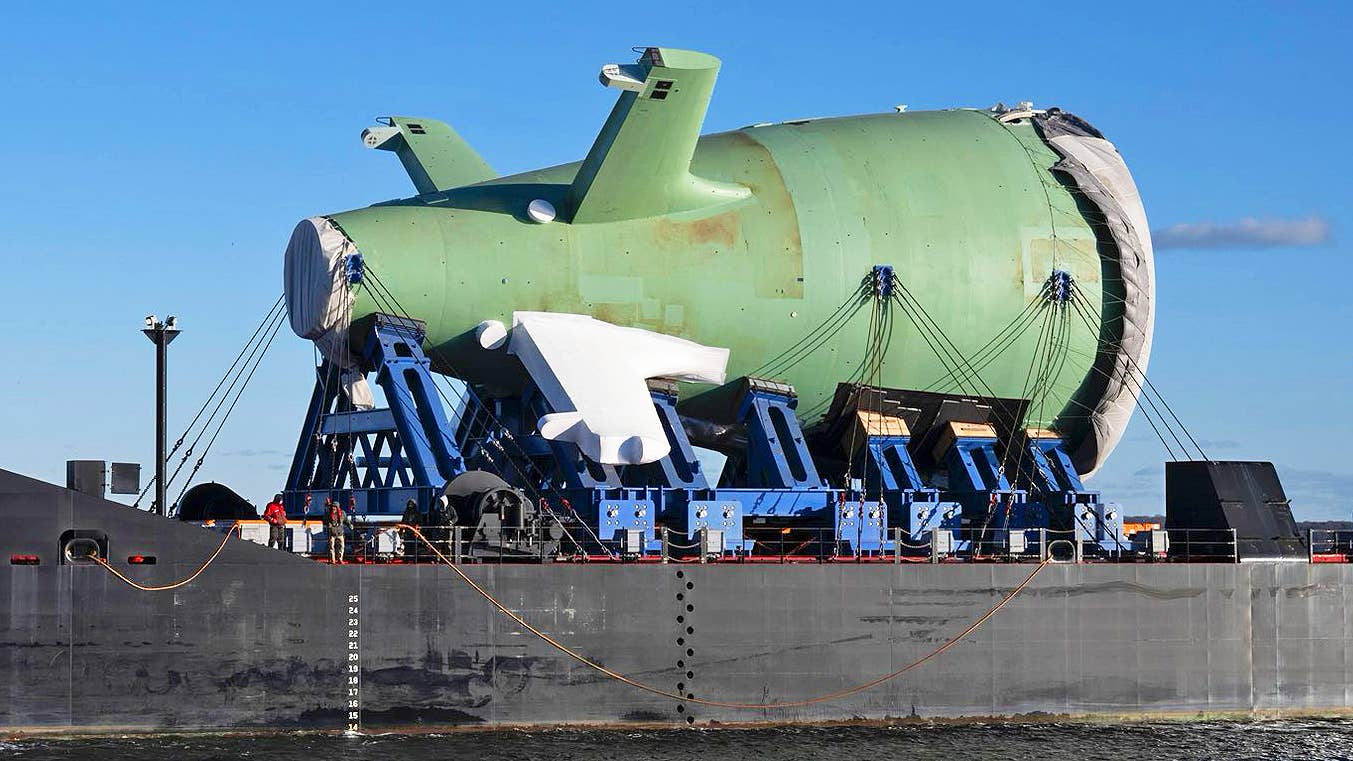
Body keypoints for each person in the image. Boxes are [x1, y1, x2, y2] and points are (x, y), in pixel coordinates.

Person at [324, 497, 348, 564]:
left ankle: (340, 559)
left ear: (338, 508)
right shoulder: (329, 514)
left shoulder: (342, 513)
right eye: (333, 507)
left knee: (342, 546)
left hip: (340, 533)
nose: (333, 508)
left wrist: (350, 525)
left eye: (335, 507)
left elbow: (346, 521)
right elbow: (325, 520)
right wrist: (328, 524)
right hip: (332, 533)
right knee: (331, 547)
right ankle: (333, 560)